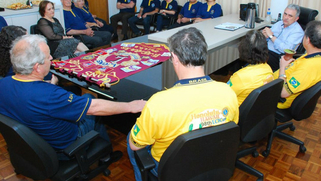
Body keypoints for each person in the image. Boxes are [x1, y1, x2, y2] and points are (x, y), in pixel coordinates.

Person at [0, 34, 146, 160]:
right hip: (64, 146)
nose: (51, 58)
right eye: (48, 56)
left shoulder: (3, 84)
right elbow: (94, 108)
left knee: (80, 96)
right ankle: (105, 155)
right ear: (37, 67)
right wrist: (130, 106)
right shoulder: (50, 94)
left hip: (33, 143)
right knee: (90, 98)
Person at [127, 27, 239, 181]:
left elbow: (135, 146)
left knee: (131, 140)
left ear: (175, 58)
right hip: (211, 161)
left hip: (173, 170)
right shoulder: (228, 92)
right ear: (204, 55)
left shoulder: (159, 103)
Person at [274, 20, 321, 109]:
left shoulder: (308, 67)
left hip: (277, 98)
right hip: (279, 80)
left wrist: (282, 68)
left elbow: (283, 93)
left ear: (308, 40)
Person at [227, 30, 273, 105]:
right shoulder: (268, 68)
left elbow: (224, 95)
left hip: (236, 111)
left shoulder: (240, 77)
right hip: (257, 109)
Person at [262, 4, 304, 72]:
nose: (286, 17)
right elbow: (268, 36)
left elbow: (286, 49)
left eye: (290, 16)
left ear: (296, 18)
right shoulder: (279, 23)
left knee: (253, 58)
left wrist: (271, 36)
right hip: (266, 50)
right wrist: (265, 35)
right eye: (285, 14)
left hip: (278, 57)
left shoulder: (298, 32)